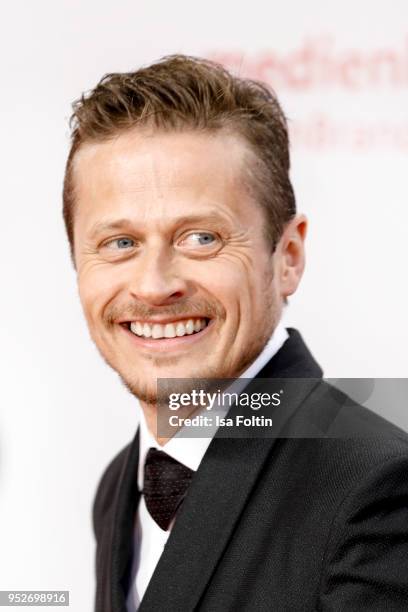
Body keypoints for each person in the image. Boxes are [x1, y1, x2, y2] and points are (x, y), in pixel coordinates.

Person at [62, 55, 408, 612]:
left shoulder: (378, 490)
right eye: (119, 243)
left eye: (201, 237)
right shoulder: (118, 486)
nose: (153, 286)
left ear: (288, 257)